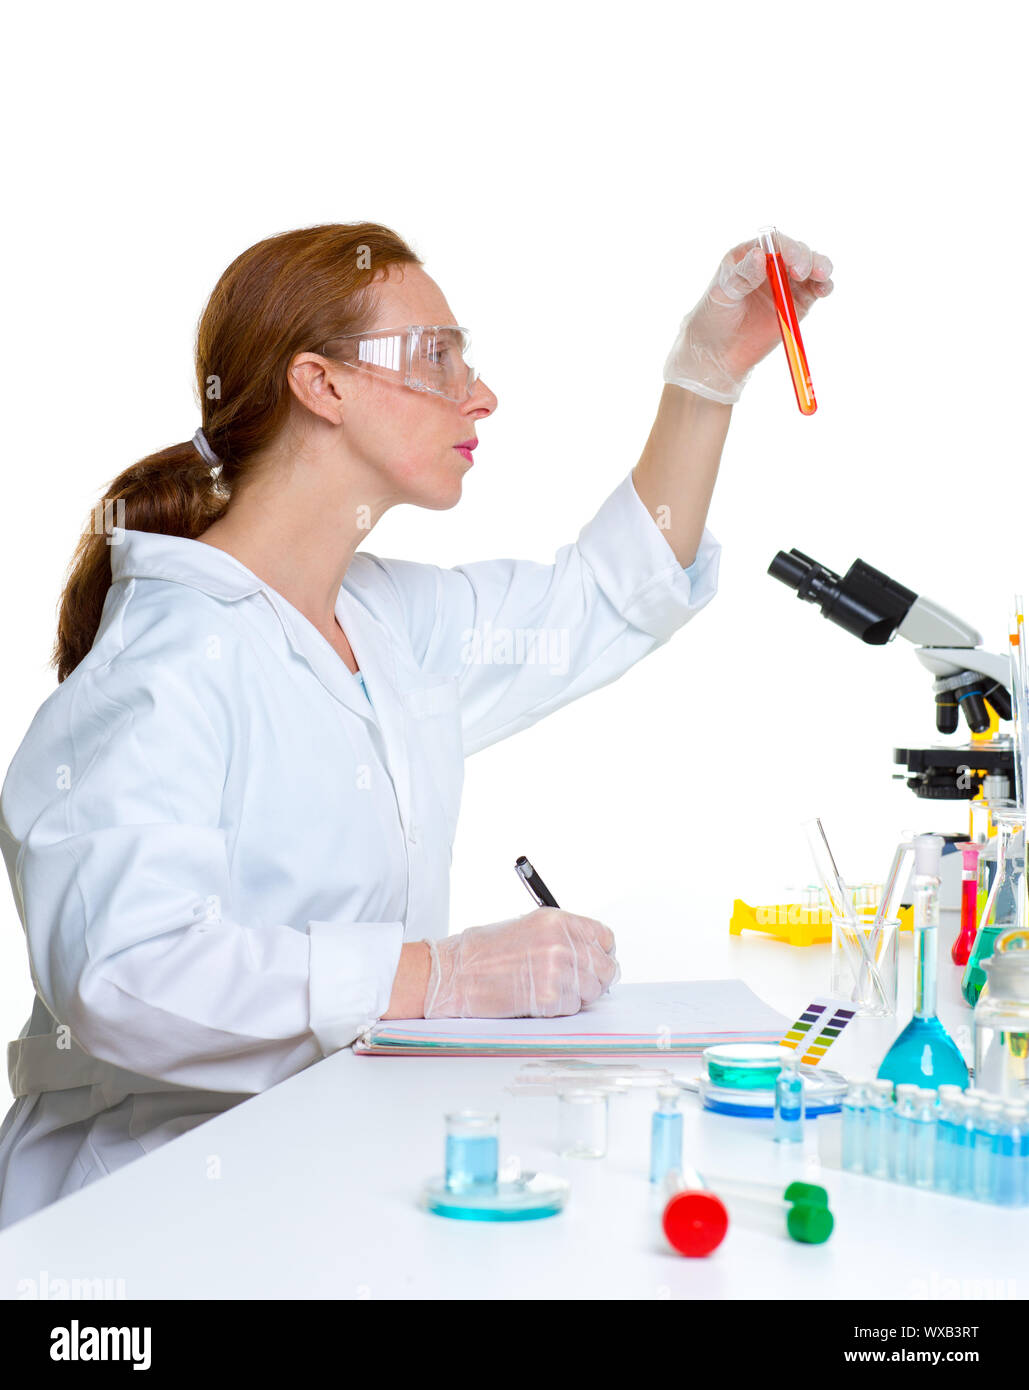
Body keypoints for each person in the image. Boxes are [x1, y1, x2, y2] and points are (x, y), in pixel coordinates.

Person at [0, 221, 833, 1228]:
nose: (479, 394)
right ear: (323, 384)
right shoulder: (164, 668)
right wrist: (443, 974)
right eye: (437, 356)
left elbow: (602, 601)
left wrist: (706, 374)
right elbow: (125, 976)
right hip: (147, 1206)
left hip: (320, 1176)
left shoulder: (381, 620)